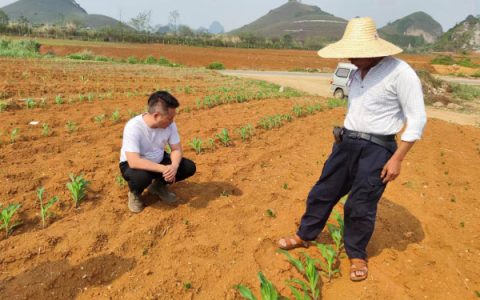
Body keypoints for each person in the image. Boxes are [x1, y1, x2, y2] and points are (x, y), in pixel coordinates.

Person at [278, 17, 427, 281]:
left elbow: (417, 119)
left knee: (361, 204)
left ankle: (356, 253)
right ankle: (305, 235)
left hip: (378, 148)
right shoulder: (357, 72)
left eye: (355, 54)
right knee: (323, 191)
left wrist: (397, 159)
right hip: (346, 144)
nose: (349, 59)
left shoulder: (401, 73)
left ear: (373, 50)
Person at [119, 91, 196, 213]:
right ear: (156, 115)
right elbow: (134, 161)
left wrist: (174, 166)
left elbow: (176, 149)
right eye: (169, 118)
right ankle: (134, 193)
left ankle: (158, 186)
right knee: (141, 178)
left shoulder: (170, 125)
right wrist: (164, 169)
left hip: (159, 159)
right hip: (135, 165)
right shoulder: (134, 127)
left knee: (188, 167)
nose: (172, 121)